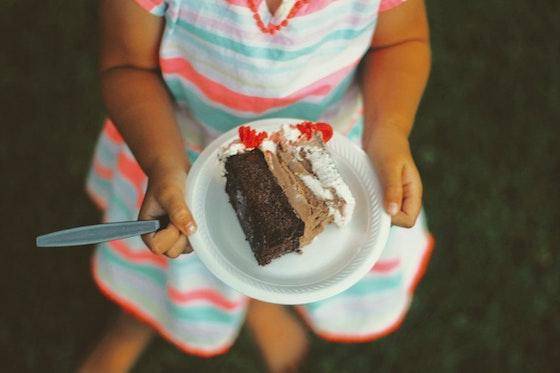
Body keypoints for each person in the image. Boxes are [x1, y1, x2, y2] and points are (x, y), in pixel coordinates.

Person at [80, 0, 434, 371]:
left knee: (276, 248)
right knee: (168, 267)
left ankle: (260, 300)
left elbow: (400, 41)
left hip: (330, 156)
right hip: (180, 151)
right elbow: (129, 65)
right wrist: (163, 163)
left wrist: (388, 133)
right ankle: (141, 317)